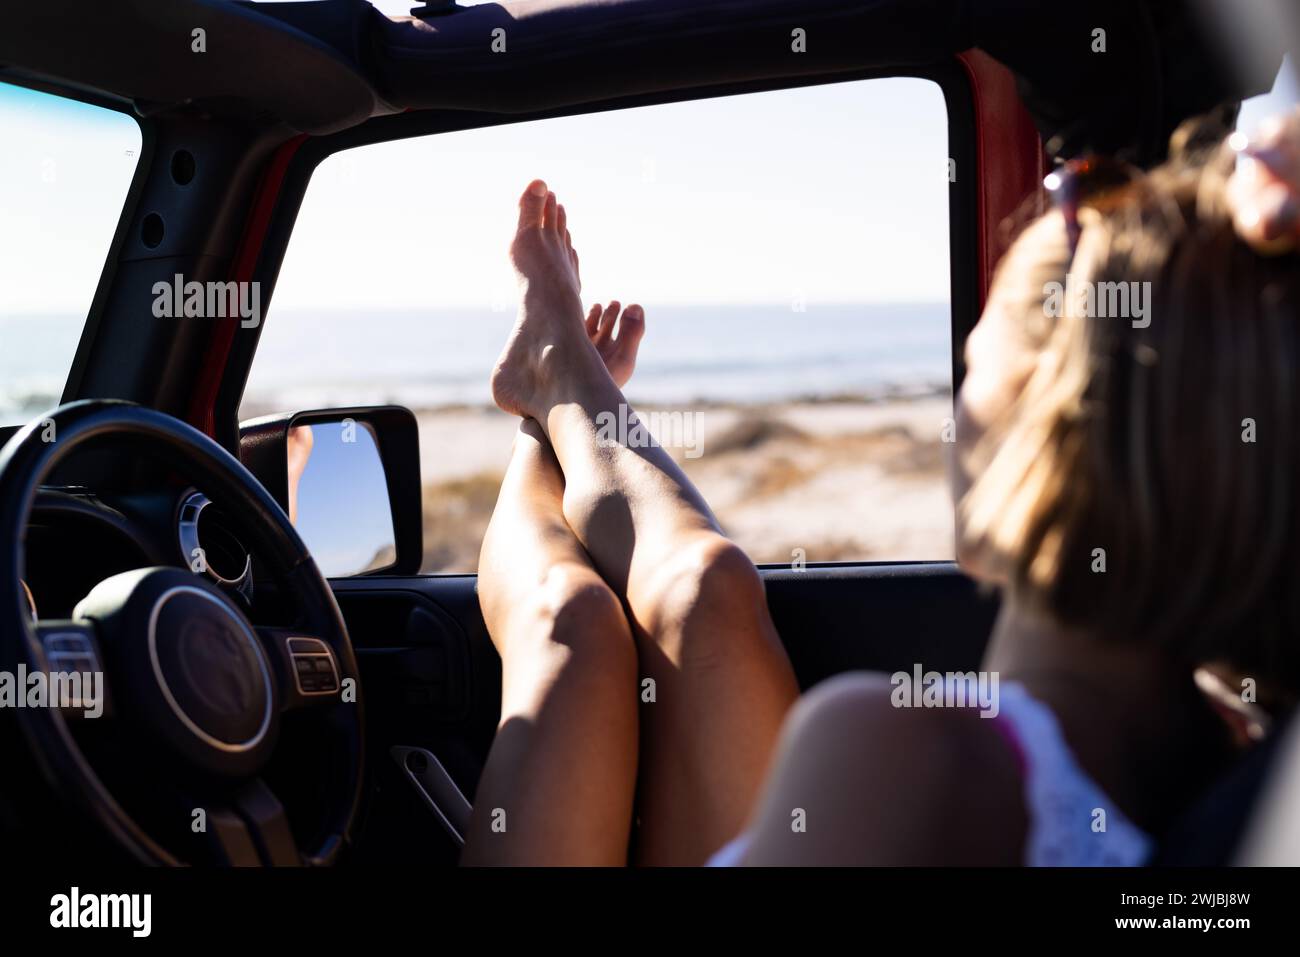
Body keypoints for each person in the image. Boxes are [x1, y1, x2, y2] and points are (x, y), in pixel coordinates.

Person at [461, 110, 1300, 866]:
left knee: (562, 625)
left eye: (975, 368)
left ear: (1038, 435)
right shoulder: (1244, 764)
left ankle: (553, 397)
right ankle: (558, 390)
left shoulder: (906, 761)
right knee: (708, 591)